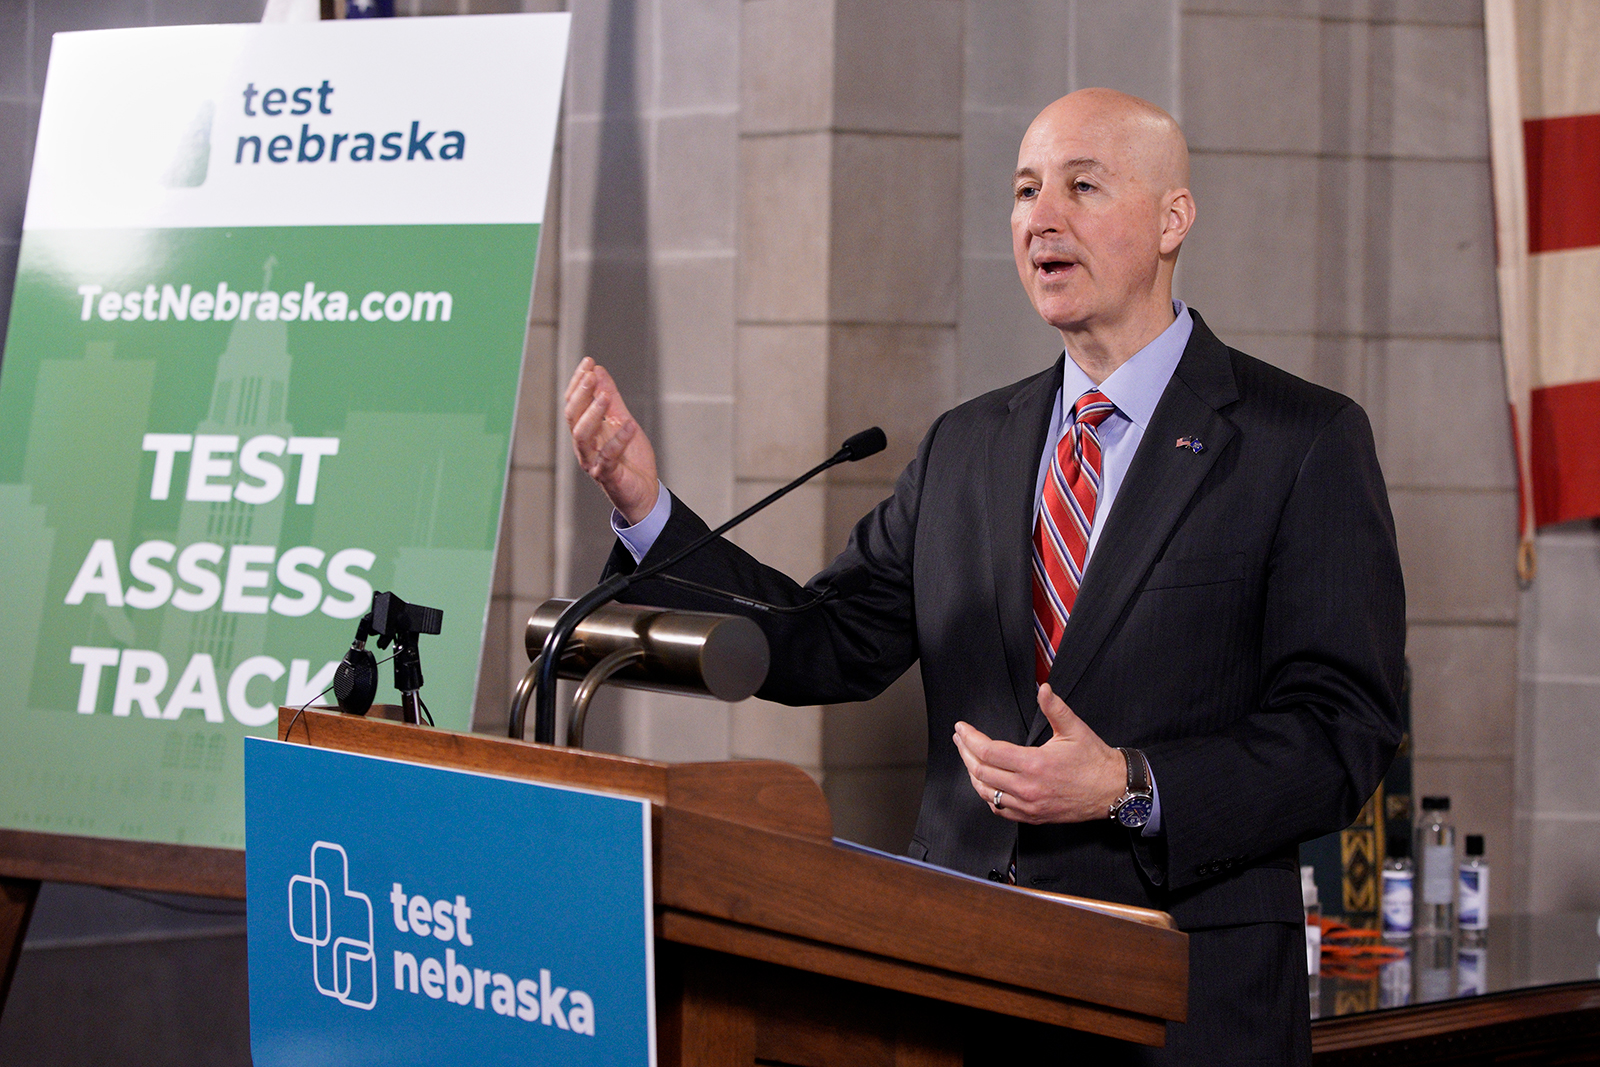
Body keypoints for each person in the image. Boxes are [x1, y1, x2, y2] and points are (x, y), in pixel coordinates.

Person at [563, 88, 1405, 1064]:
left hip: (1179, 1000)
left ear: (1174, 218)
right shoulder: (968, 444)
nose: (1041, 217)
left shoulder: (1297, 440)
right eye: (1022, 190)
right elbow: (822, 638)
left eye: (1082, 186)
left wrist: (1132, 783)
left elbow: (1344, 726)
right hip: (959, 986)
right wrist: (647, 509)